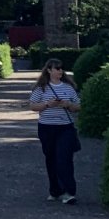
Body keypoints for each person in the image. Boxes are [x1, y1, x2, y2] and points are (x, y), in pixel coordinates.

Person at [28, 58, 81, 203]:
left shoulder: (68, 88)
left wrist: (68, 104)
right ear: (49, 70)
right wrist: (47, 104)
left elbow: (78, 106)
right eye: (57, 68)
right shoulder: (41, 88)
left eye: (61, 68)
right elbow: (32, 105)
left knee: (64, 158)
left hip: (65, 127)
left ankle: (69, 191)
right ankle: (55, 190)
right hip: (47, 128)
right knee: (51, 158)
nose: (60, 71)